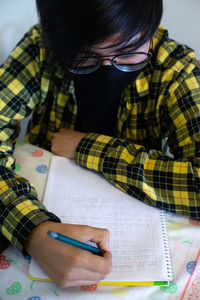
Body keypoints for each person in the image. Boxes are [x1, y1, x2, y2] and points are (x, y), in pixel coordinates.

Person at [0, 0, 200, 288]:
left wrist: (87, 147)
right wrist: (32, 230)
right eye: (85, 59)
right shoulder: (42, 47)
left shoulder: (176, 69)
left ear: (151, 29)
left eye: (130, 52)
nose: (109, 70)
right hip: (39, 197)